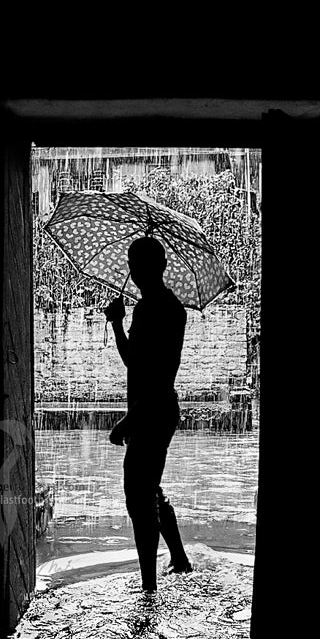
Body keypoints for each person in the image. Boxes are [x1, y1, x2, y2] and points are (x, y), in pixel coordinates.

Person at [103, 237, 193, 593]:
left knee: (138, 498)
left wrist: (116, 324)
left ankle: (148, 590)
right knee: (150, 486)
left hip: (149, 410)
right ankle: (180, 559)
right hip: (162, 408)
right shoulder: (172, 306)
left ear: (144, 268)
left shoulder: (150, 308)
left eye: (133, 263)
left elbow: (138, 365)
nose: (131, 270)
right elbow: (154, 369)